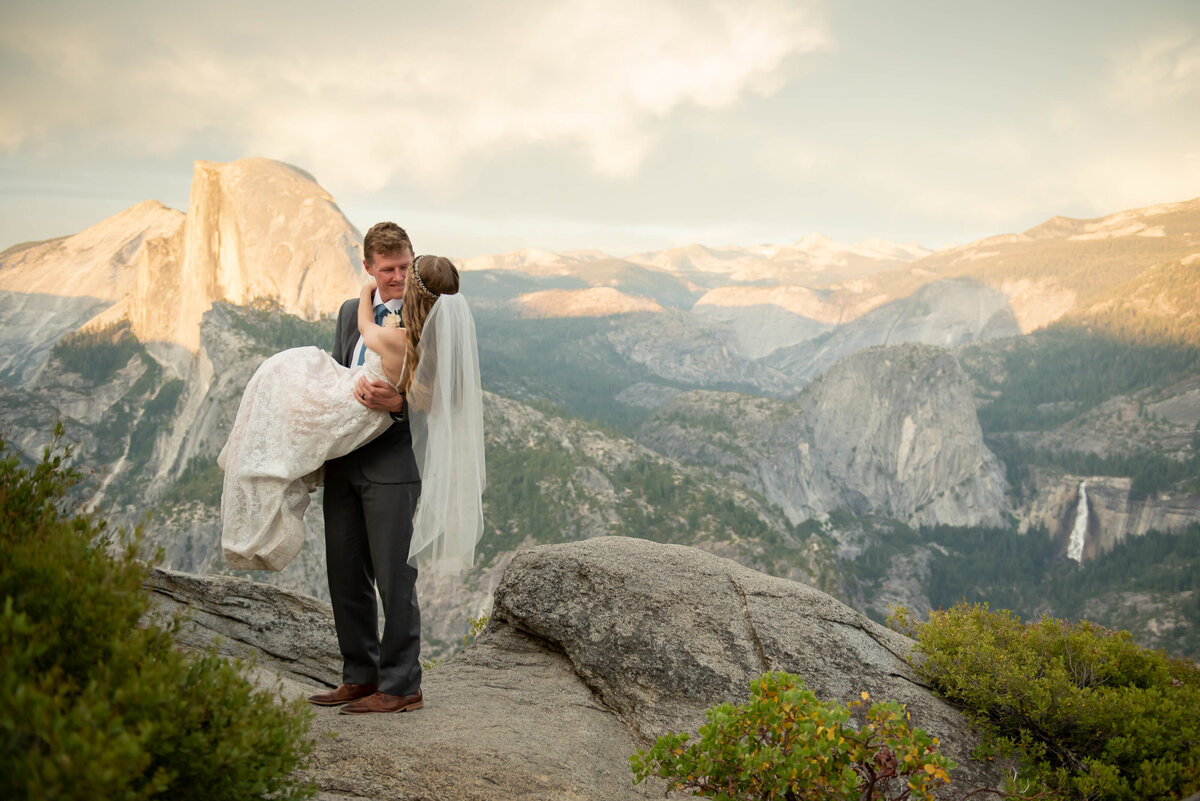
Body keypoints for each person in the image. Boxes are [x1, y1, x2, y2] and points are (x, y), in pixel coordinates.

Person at [218, 222, 484, 716]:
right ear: (369, 269)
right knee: (344, 573)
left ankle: (403, 685)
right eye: (389, 269)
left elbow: (453, 398)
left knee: (394, 579)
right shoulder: (349, 313)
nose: (399, 276)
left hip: (393, 469)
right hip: (343, 462)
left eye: (406, 266)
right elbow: (341, 372)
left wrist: (399, 402)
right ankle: (358, 676)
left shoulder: (432, 315)